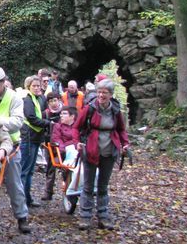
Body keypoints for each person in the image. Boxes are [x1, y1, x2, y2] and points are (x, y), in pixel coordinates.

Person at [74, 79, 129, 230]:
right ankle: (85, 217)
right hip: (91, 149)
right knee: (88, 185)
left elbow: (121, 129)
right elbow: (76, 127)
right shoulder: (89, 108)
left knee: (103, 186)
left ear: (111, 94)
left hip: (109, 151)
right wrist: (77, 142)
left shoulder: (116, 111)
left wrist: (125, 144)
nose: (101, 95)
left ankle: (103, 216)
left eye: (104, 92)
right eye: (99, 92)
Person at [0, 67, 31, 234]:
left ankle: (21, 217)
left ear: (3, 82)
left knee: (14, 184)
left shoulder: (14, 98)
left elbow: (18, 121)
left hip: (11, 146)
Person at [19, 75, 51, 208]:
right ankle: (21, 200)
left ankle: (27, 198)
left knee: (30, 170)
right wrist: (48, 123)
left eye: (38, 86)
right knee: (25, 171)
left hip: (36, 137)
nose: (37, 88)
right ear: (28, 87)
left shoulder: (39, 99)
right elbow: (31, 117)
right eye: (34, 86)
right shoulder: (27, 100)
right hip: (28, 137)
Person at [42, 92, 62, 201]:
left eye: (55, 100)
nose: (53, 103)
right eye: (50, 101)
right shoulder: (45, 113)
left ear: (59, 100)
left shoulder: (65, 112)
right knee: (50, 167)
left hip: (64, 143)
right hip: (49, 143)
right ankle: (48, 192)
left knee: (66, 167)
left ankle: (68, 190)